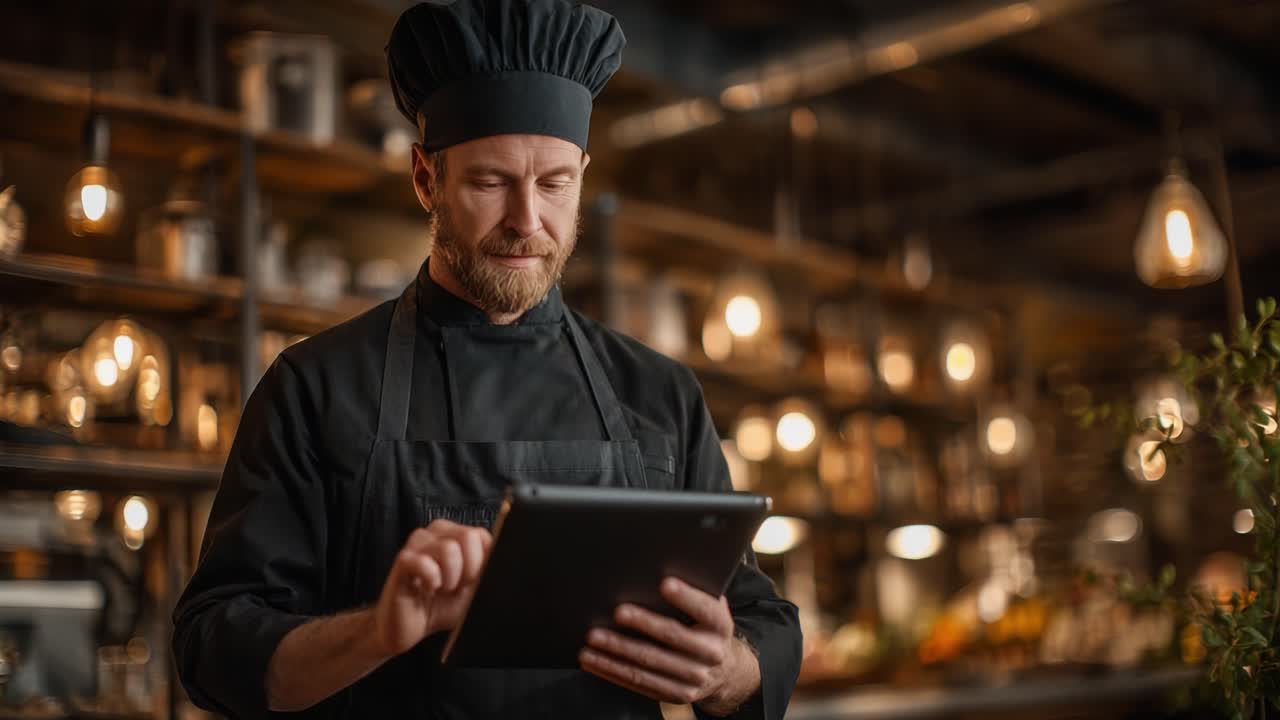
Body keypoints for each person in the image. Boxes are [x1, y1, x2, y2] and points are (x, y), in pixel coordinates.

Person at [171, 1, 802, 717]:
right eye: (491, 182)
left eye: (555, 184)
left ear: (584, 175)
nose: (527, 222)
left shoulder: (660, 396)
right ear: (424, 179)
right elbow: (212, 646)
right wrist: (376, 632)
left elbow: (763, 623)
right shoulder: (314, 389)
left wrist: (724, 670)